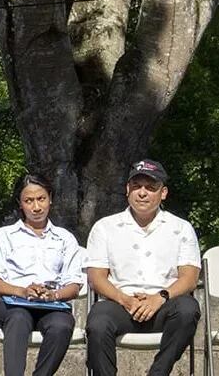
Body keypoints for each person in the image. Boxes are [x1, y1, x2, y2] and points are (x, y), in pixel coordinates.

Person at [85, 159, 201, 376]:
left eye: (150, 187)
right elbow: (96, 278)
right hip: (120, 304)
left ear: (163, 193)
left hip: (164, 305)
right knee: (98, 321)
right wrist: (125, 300)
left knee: (188, 309)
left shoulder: (181, 228)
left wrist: (159, 298)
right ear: (127, 190)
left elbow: (189, 278)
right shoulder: (105, 227)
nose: (142, 193)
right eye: (137, 186)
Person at [0, 174, 84, 376]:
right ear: (20, 204)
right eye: (29, 201)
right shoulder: (5, 235)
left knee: (62, 325)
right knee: (18, 318)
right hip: (12, 303)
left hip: (51, 305)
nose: (36, 207)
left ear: (50, 199)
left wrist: (53, 295)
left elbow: (74, 284)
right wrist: (22, 291)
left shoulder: (64, 238)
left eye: (41, 199)